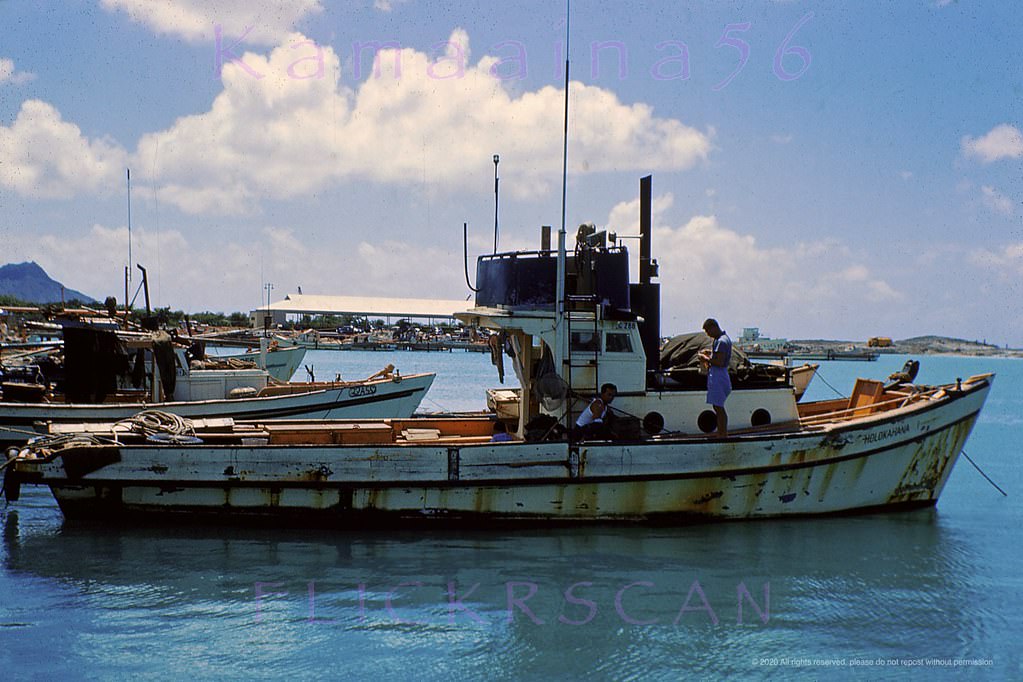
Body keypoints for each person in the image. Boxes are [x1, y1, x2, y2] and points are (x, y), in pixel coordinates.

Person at [698, 319, 732, 437]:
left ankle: (723, 434)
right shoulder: (721, 340)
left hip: (719, 375)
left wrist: (704, 358)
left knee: (719, 407)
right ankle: (722, 433)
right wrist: (710, 353)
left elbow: (720, 361)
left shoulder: (721, 342)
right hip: (720, 374)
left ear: (713, 327)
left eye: (708, 331)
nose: (708, 334)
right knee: (717, 406)